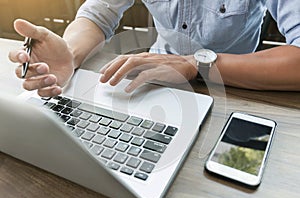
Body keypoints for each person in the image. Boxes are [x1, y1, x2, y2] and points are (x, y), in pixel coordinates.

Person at [8, 0, 300, 97]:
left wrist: (196, 64)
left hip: (239, 84)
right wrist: (70, 54)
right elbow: (99, 12)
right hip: (154, 80)